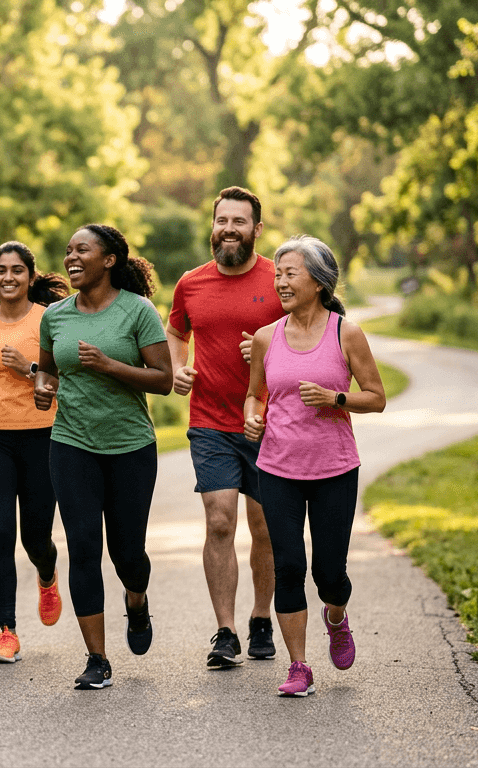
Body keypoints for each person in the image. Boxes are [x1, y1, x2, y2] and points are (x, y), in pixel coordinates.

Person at [243, 235, 385, 697]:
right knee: (288, 567)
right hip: (277, 467)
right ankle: (298, 666)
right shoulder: (266, 337)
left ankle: (336, 617)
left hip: (334, 469)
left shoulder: (346, 333)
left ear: (319, 282)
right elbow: (255, 394)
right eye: (278, 274)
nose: (280, 283)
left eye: (291, 274)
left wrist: (335, 398)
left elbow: (376, 398)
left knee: (329, 574)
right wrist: (252, 415)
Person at [33, 224, 172, 690]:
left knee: (127, 554)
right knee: (84, 546)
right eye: (68, 251)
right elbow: (47, 372)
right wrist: (42, 389)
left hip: (131, 446)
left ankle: (137, 600)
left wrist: (110, 365)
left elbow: (163, 379)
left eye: (82, 250)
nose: (71, 258)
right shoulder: (55, 316)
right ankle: (97, 658)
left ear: (109, 260)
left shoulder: (138, 311)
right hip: (71, 443)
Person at [166, 186, 284, 667]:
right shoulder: (190, 283)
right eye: (222, 221)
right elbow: (176, 331)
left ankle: (261, 617)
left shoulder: (280, 279)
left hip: (269, 422)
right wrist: (179, 366)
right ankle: (226, 631)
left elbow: (308, 334)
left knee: (265, 527)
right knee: (219, 522)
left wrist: (269, 350)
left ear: (257, 229)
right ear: (212, 226)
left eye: (239, 221)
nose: (229, 229)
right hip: (210, 422)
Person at [0, 241, 69, 663]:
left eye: (17, 270)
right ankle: (7, 632)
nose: (8, 277)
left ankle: (47, 573)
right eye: (1, 270)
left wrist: (30, 369)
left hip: (43, 438)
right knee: (0, 534)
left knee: (35, 537)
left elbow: (66, 379)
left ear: (30, 276)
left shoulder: (49, 320)